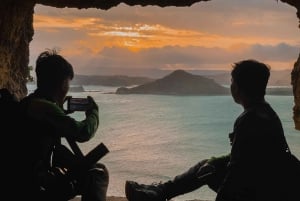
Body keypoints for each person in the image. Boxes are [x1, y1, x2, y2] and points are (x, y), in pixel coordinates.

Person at [125, 59, 297, 201]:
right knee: (209, 164)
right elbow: (248, 157)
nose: (230, 86)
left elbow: (237, 173)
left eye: (232, 82)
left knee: (207, 169)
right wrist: (216, 161)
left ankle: (158, 193)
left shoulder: (248, 120)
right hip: (273, 185)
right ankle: (158, 191)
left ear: (237, 87)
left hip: (261, 191)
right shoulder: (267, 112)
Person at [19, 49, 109, 201]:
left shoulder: (29, 104)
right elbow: (83, 132)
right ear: (62, 84)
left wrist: (59, 111)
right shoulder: (45, 108)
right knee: (98, 172)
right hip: (36, 185)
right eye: (68, 82)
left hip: (21, 177)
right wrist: (94, 112)